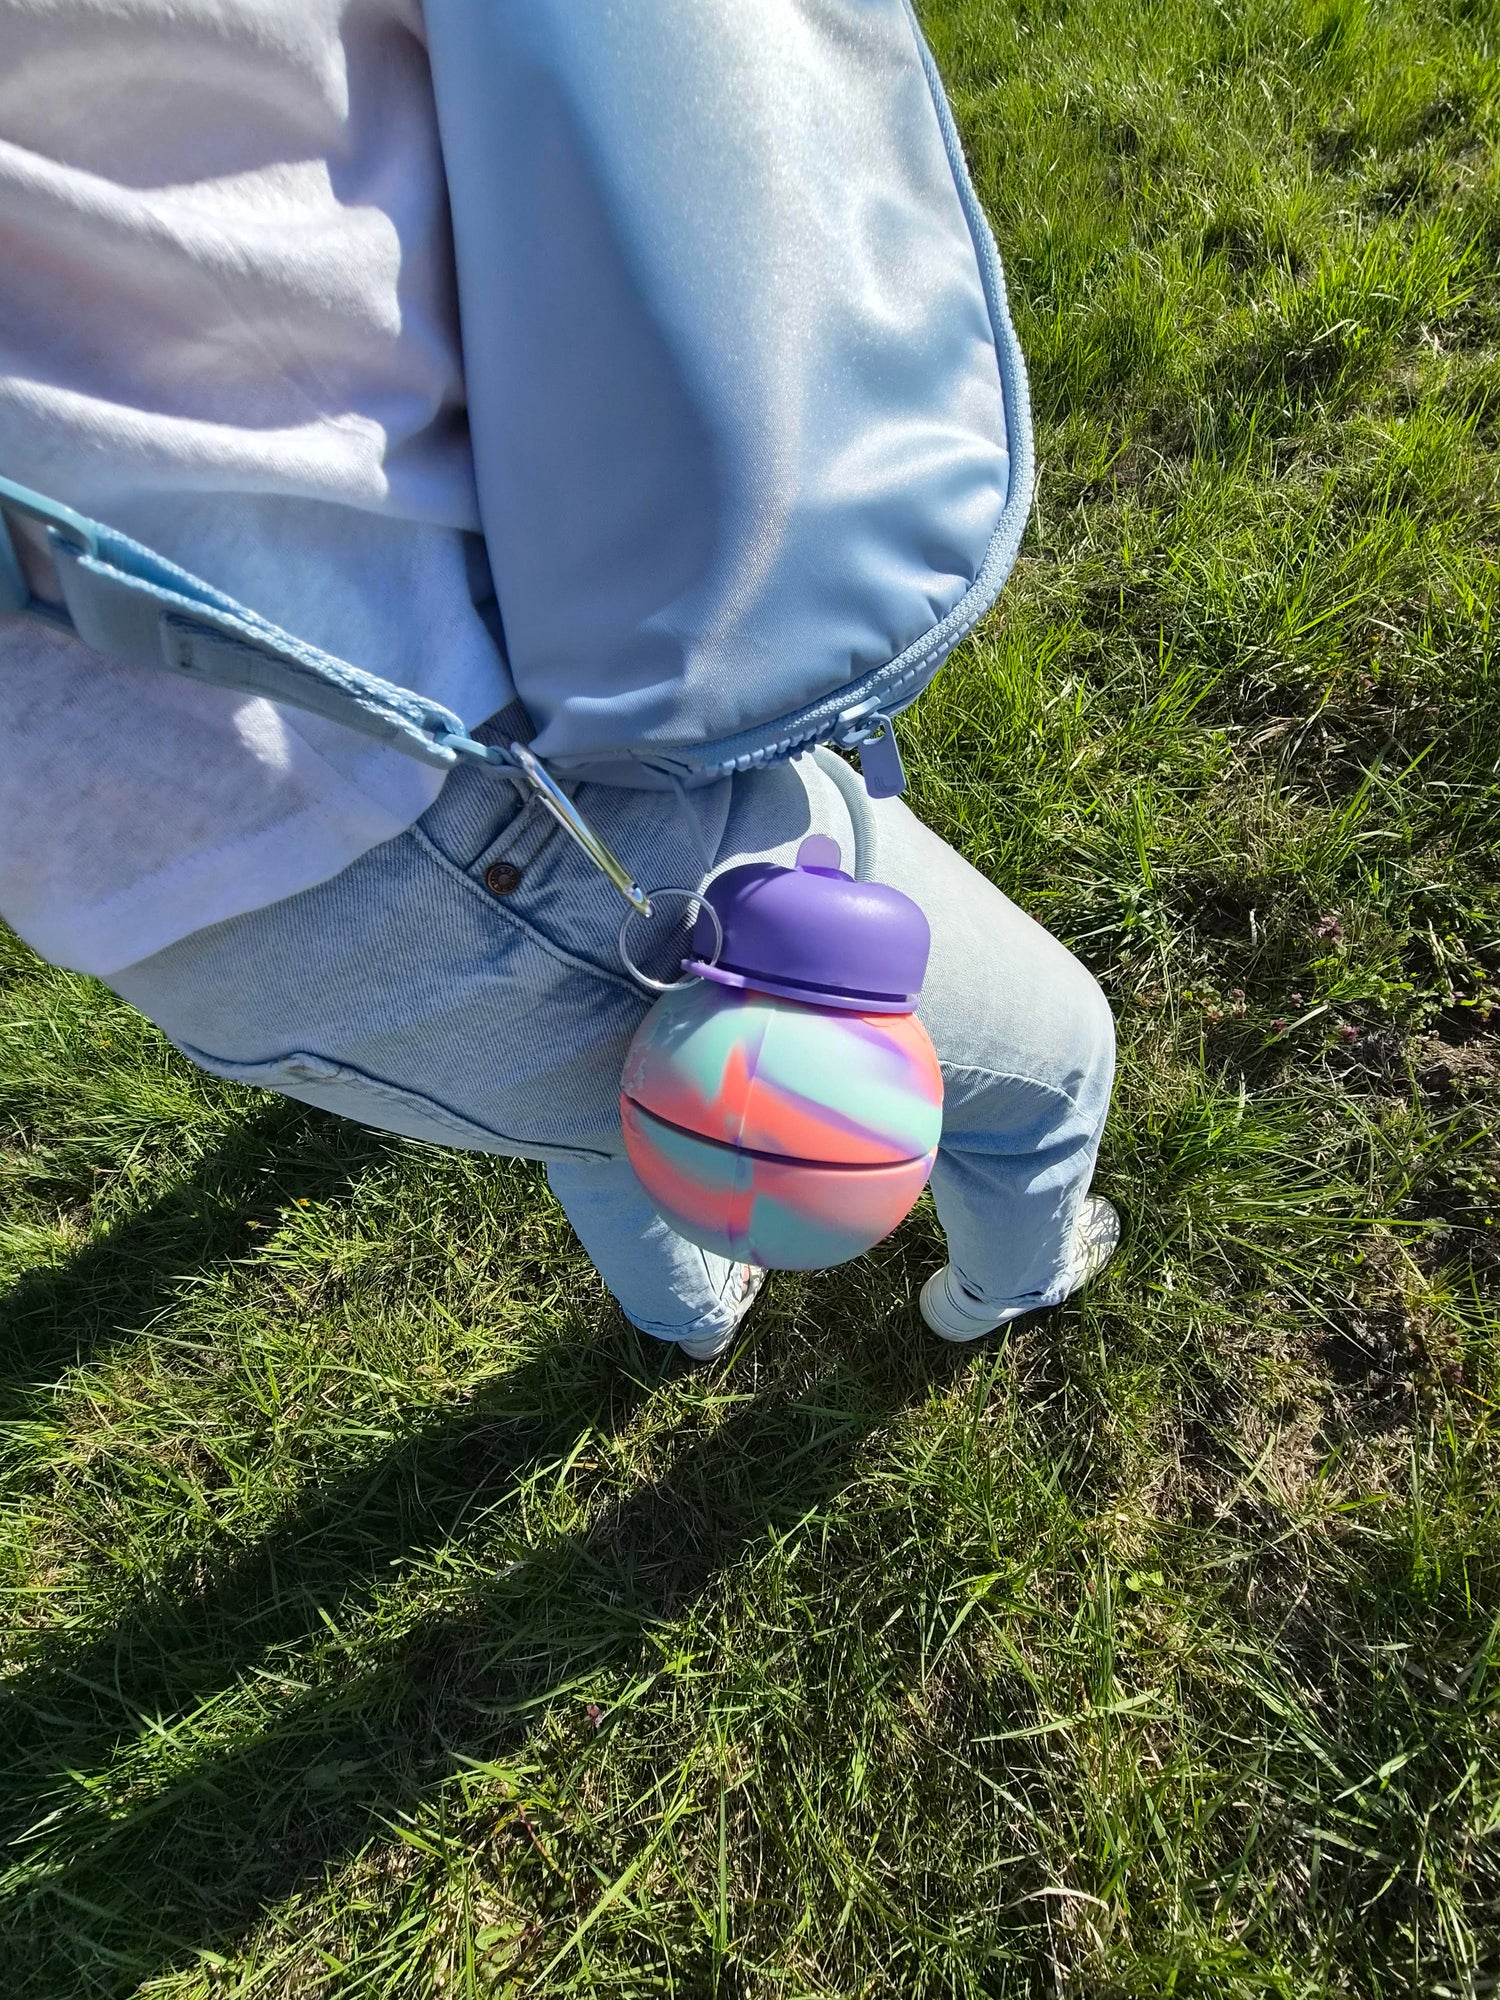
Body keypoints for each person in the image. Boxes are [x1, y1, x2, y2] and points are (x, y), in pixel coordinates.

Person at [0, 0, 1117, 1360]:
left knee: (607, 1104)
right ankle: (1009, 1282)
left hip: (147, 877)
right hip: (430, 766)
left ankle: (686, 1313)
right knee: (1053, 1057)